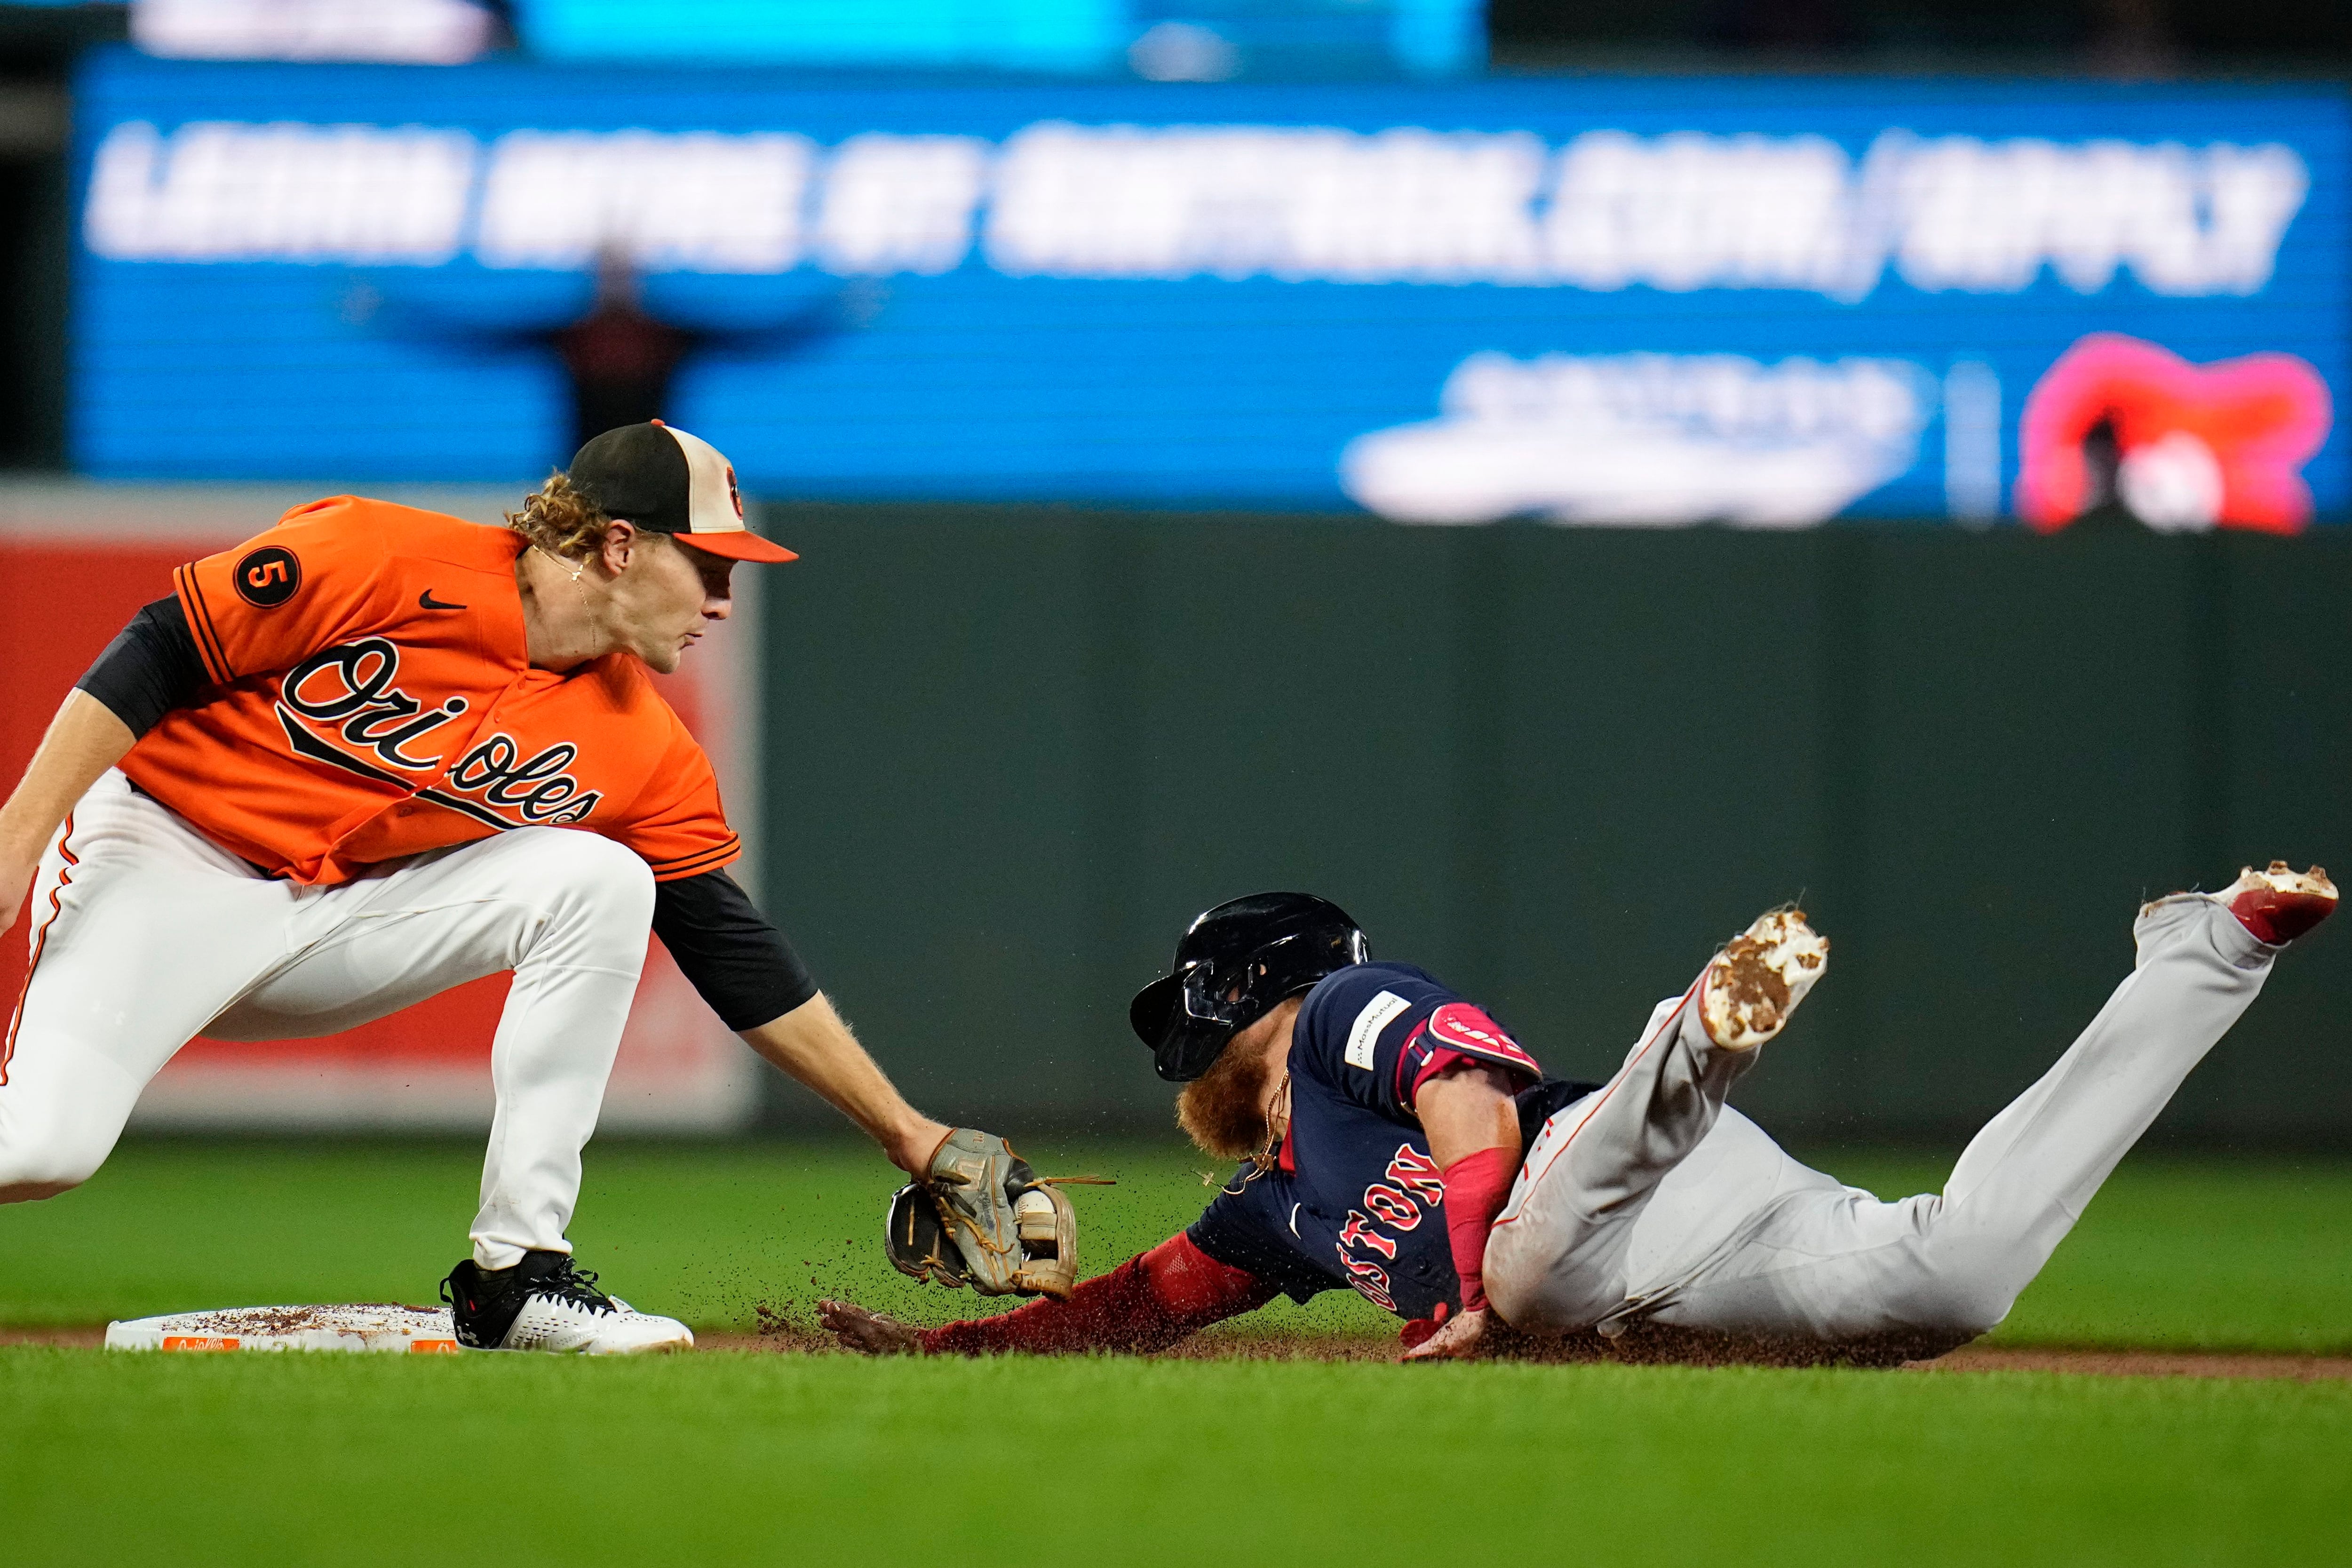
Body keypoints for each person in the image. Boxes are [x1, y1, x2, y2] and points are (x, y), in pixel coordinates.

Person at [0, 420, 1026, 1354]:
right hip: (165, 858)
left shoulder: (645, 747)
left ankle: (516, 1277)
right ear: (621, 545)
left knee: (603, 877)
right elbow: (159, 649)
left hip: (333, 918)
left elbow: (730, 947)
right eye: (707, 565)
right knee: (45, 1147)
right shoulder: (379, 555)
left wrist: (910, 1133)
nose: (721, 598)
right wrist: (17, 834)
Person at [821, 870, 2335, 1363]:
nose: (1187, 1050)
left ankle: (1700, 1029)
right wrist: (950, 1347)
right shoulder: (1277, 1195)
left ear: (1251, 992)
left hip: (1590, 1176)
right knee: (1957, 1276)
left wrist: (1474, 1270)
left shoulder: (1346, 1011)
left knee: (1532, 1276)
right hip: (1674, 1265)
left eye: (1197, 1011)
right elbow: (1150, 1298)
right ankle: (2204, 951)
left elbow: (1469, 1096)